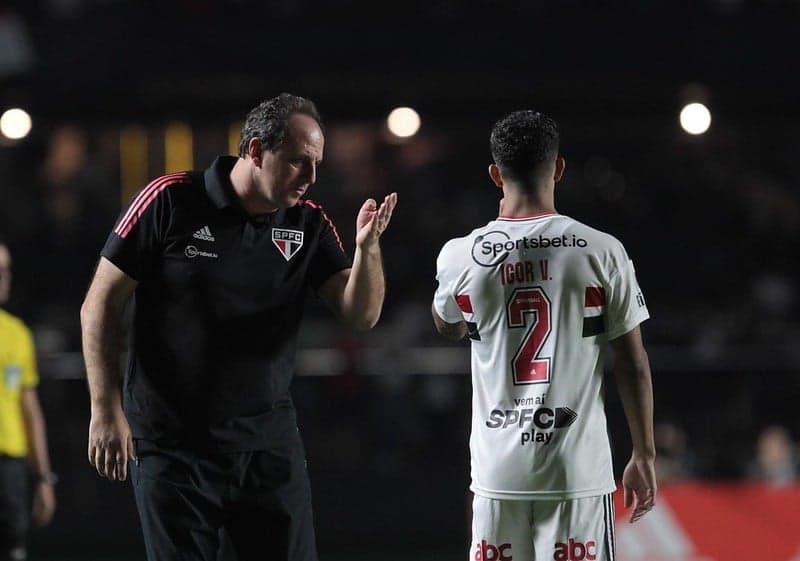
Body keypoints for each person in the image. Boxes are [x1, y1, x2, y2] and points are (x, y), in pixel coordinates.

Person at [80, 93, 397, 561]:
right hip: (173, 447)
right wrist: (105, 408)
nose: (310, 177)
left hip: (268, 444)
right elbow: (99, 305)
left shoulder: (306, 222)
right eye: (297, 162)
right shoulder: (169, 199)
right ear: (254, 150)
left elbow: (361, 314)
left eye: (316, 163)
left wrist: (368, 249)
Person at [432, 111, 655, 560]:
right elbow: (631, 362)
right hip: (575, 473)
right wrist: (644, 454)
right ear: (558, 169)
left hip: (498, 473)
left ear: (496, 175)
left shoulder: (461, 255)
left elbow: (448, 324)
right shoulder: (601, 249)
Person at [0, 238, 57, 561]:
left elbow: (29, 410)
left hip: (9, 467)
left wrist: (43, 477)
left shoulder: (17, 334)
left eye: (5, 271)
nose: (2, 278)